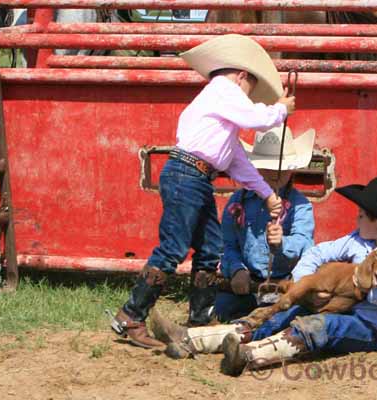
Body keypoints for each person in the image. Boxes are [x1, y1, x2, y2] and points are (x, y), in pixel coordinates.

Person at [109, 34, 296, 348]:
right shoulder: (223, 90)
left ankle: (198, 319)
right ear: (242, 76)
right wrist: (279, 110)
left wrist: (266, 193)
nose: (250, 96)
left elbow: (237, 160)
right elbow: (255, 120)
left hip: (191, 175)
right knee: (174, 247)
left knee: (209, 248)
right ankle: (131, 315)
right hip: (189, 175)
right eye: (251, 87)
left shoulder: (221, 106)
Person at [151, 176, 377, 374]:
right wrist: (304, 283)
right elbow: (316, 253)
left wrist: (370, 291)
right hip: (337, 306)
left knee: (322, 326)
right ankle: (193, 339)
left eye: (361, 215)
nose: (356, 219)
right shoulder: (356, 241)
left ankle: (250, 355)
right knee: (282, 310)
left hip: (369, 326)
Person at [216, 125, 316, 322]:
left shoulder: (301, 205)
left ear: (292, 169)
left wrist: (282, 243)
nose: (274, 174)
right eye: (267, 168)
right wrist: (237, 269)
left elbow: (305, 244)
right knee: (223, 308)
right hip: (247, 281)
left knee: (286, 314)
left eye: (280, 169)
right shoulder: (237, 202)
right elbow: (227, 245)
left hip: (285, 283)